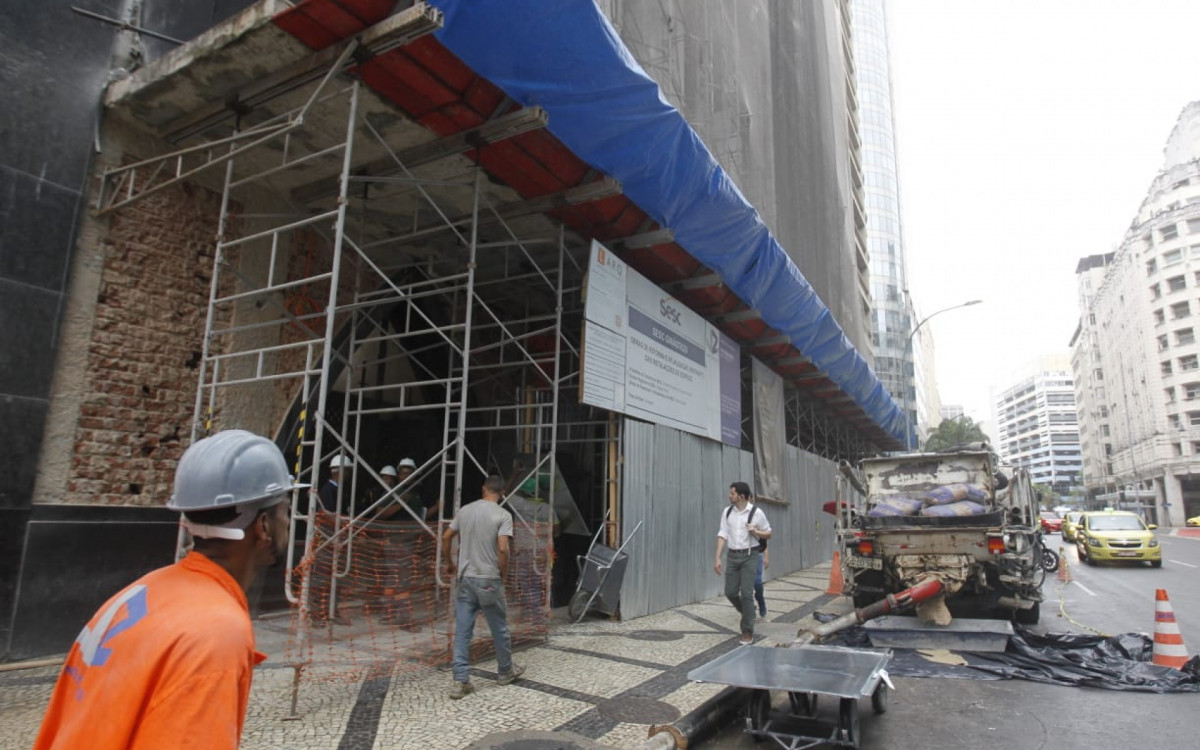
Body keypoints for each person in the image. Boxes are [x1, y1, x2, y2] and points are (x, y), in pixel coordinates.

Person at [33, 430, 303, 750]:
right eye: (285, 510)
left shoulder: (140, 593)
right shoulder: (215, 631)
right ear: (263, 527)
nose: (289, 519)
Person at [443, 474, 524, 698]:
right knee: (499, 628)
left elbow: (446, 536)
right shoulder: (503, 515)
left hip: (466, 579)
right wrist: (503, 575)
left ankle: (461, 681)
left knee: (462, 631)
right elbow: (503, 549)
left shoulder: (465, 511)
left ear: (483, 489)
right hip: (489, 579)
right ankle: (505, 671)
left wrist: (449, 563)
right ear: (502, 493)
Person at [713, 481, 772, 644]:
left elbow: (769, 533)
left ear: (742, 496)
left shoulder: (756, 512)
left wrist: (756, 531)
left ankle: (747, 630)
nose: (729, 496)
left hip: (750, 555)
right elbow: (722, 534)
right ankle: (748, 612)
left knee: (747, 593)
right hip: (732, 556)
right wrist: (717, 557)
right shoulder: (727, 512)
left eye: (732, 493)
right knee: (730, 592)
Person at [754, 544, 770, 619]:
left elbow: (763, 541)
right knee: (746, 585)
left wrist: (766, 557)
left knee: (757, 582)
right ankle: (749, 609)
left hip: (757, 554)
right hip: (743, 556)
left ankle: (760, 599)